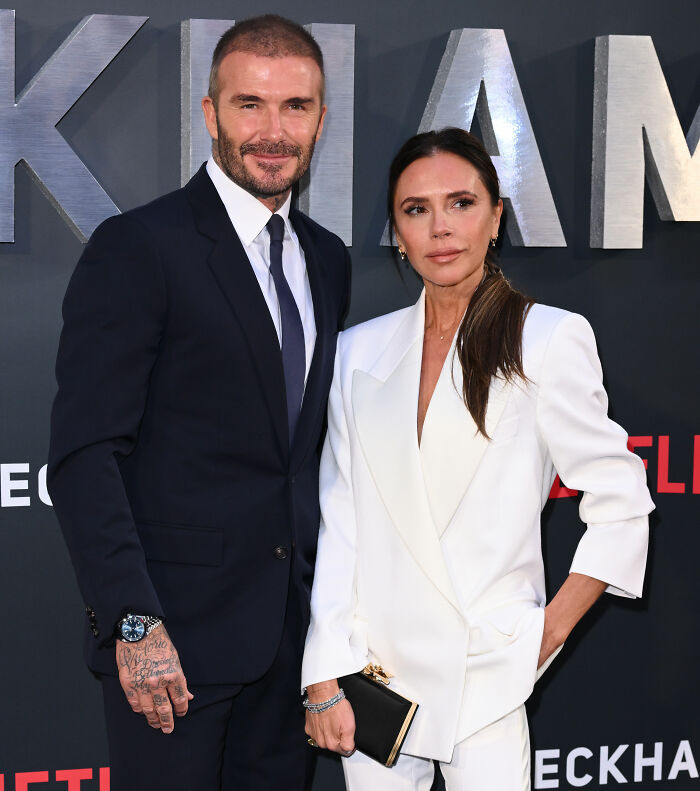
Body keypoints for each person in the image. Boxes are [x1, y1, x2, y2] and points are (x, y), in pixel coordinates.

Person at [48, 15, 350, 791]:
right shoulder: (140, 247)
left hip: (291, 648)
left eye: (296, 106)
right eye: (250, 105)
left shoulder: (328, 259)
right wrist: (134, 621)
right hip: (173, 651)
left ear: (322, 117)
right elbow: (87, 454)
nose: (273, 131)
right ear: (211, 114)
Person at [301, 128, 653, 790]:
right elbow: (341, 520)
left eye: (460, 203)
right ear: (396, 232)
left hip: (487, 672)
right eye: (416, 209)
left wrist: (544, 634)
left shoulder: (546, 338)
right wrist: (323, 669)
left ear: (496, 216)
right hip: (376, 682)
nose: (440, 227)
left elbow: (622, 502)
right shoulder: (357, 352)